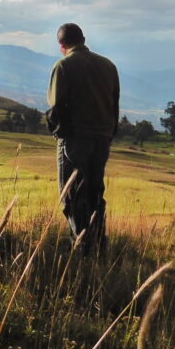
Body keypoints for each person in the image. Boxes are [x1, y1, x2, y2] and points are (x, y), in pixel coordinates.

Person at [46, 22, 120, 254]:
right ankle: (99, 243)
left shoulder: (64, 66)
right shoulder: (108, 66)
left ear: (61, 44)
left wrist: (59, 132)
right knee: (95, 192)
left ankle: (81, 247)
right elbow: (114, 104)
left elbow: (56, 106)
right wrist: (108, 134)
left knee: (72, 194)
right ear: (84, 39)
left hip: (74, 139)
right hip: (102, 137)